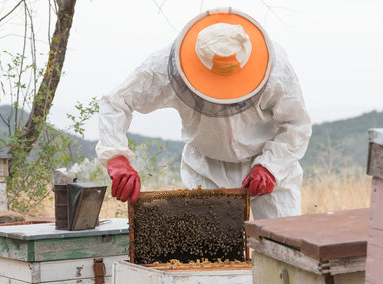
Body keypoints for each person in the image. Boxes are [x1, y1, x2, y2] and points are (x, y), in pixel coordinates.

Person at [96, 8, 311, 219]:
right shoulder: (165, 65)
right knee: (214, 252)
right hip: (207, 168)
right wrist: (116, 157)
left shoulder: (275, 67)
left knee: (283, 247)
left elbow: (296, 124)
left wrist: (271, 167)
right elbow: (115, 101)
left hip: (270, 160)